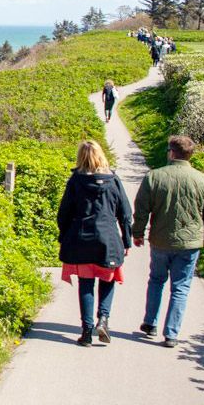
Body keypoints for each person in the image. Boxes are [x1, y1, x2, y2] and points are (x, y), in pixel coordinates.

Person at [133, 135, 204, 348]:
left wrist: (137, 233)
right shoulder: (203, 179)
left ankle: (150, 322)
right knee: (181, 287)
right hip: (190, 243)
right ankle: (171, 334)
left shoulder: (154, 177)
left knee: (156, 280)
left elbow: (142, 208)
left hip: (160, 239)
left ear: (171, 152)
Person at [57, 140, 133, 346]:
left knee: (86, 284)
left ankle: (87, 332)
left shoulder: (75, 181)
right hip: (107, 239)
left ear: (80, 157)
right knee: (108, 280)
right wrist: (127, 240)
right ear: (101, 156)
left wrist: (63, 236)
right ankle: (104, 319)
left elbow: (64, 213)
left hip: (81, 239)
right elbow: (125, 213)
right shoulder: (113, 180)